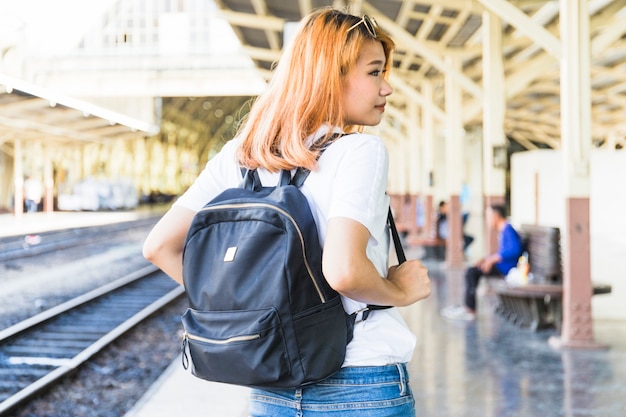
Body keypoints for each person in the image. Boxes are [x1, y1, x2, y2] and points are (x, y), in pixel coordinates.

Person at [143, 8, 431, 416]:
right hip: (360, 381)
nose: (387, 88)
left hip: (271, 383)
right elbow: (344, 272)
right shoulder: (359, 150)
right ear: (330, 75)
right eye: (374, 72)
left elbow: (159, 247)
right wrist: (400, 291)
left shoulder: (239, 156)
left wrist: (252, 312)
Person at [441, 204, 522, 321]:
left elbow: (515, 250)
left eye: (489, 216)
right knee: (473, 270)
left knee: (471, 273)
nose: (487, 220)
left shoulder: (508, 229)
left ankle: (470, 310)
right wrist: (486, 259)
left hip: (506, 268)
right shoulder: (504, 229)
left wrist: (492, 260)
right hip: (501, 265)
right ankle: (467, 307)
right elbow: (503, 251)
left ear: (496, 216)